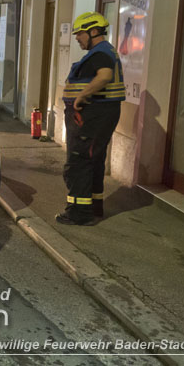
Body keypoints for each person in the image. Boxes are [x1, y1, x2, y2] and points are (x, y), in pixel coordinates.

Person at [58, 12, 125, 225]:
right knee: (93, 160)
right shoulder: (103, 51)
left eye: (80, 33)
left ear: (93, 31)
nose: (77, 38)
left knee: (79, 161)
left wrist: (81, 96)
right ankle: (94, 206)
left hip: (92, 115)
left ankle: (79, 213)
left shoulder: (101, 52)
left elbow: (104, 76)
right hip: (99, 114)